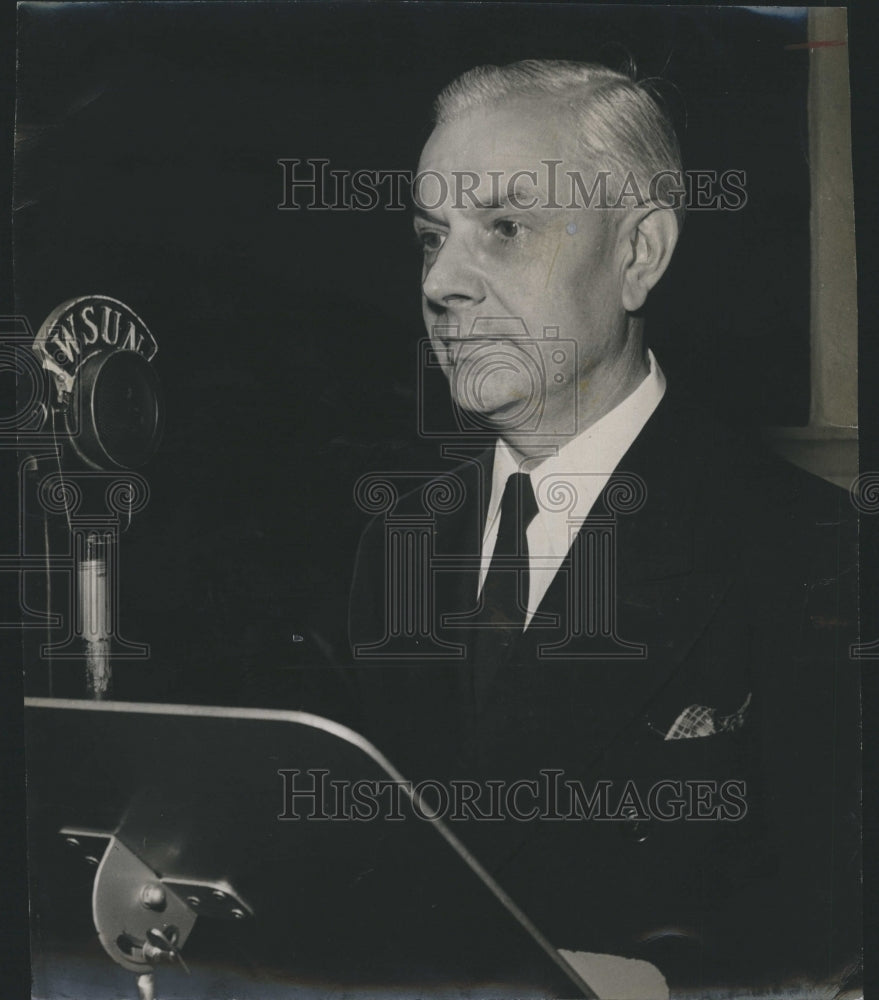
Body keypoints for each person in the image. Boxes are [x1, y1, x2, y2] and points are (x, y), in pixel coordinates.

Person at [349, 60, 859, 995]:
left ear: (638, 255)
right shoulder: (395, 538)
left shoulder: (815, 551)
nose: (445, 282)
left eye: (504, 228)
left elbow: (836, 914)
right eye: (431, 238)